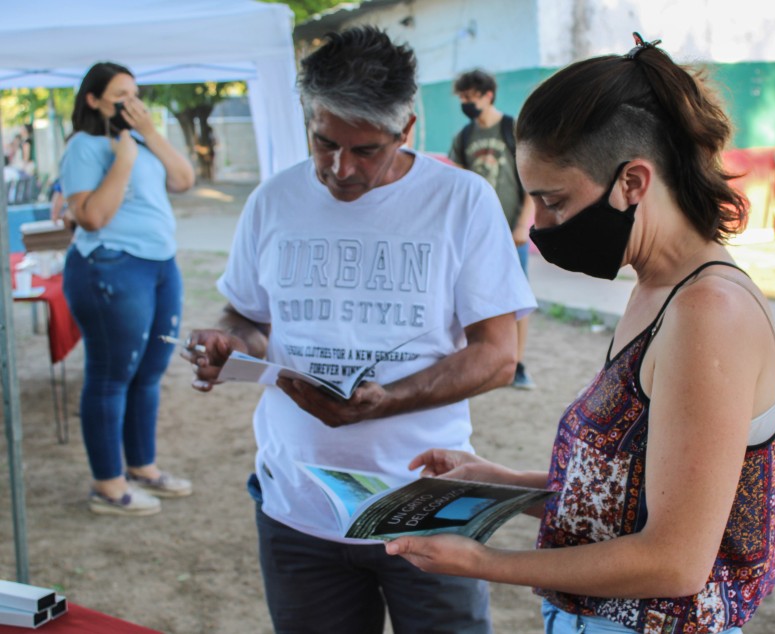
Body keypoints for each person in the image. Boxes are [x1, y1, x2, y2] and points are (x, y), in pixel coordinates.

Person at [385, 34, 775, 634]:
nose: (540, 224)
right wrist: (499, 482)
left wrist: (485, 562)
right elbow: (641, 491)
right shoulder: (659, 287)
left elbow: (674, 560)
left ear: (632, 183)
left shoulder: (708, 313)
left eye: (553, 200)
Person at [181, 26, 535, 634]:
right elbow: (250, 318)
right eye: (324, 143)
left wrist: (389, 402)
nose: (339, 169)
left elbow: (499, 356)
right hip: (296, 509)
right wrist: (233, 345)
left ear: (407, 130)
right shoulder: (273, 201)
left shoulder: (462, 202)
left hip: (424, 507)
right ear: (309, 119)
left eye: (365, 150)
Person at [59, 62, 196, 516]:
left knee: (150, 370)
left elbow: (183, 180)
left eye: (135, 94)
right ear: (94, 99)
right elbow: (91, 217)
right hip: (111, 267)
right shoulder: (84, 146)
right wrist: (124, 160)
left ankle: (142, 467)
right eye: (121, 95)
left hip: (159, 265)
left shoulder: (140, 140)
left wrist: (148, 135)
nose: (131, 104)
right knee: (111, 373)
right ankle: (107, 484)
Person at [449, 69, 537, 389]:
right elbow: (458, 182)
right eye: (462, 98)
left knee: (517, 298)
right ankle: (481, 358)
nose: (466, 103)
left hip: (511, 231)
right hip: (476, 233)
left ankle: (518, 363)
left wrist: (522, 224)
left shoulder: (511, 129)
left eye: (470, 97)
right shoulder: (464, 137)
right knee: (474, 295)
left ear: (487, 96)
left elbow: (530, 179)